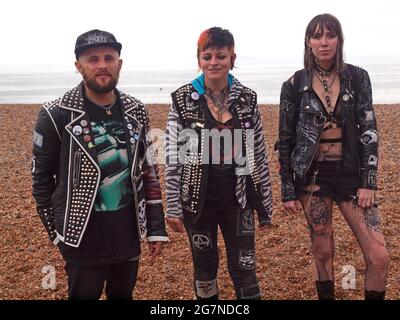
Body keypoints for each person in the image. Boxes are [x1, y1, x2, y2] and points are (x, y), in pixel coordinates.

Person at [31, 29, 168, 300]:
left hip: (128, 236)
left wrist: (155, 228)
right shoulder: (55, 113)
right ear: (78, 66)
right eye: (93, 59)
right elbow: (41, 181)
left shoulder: (136, 110)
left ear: (120, 63)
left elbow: (148, 171)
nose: (102, 64)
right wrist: (58, 234)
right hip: (81, 239)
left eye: (109, 57)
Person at [278, 14, 389, 300]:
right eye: (317, 36)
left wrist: (369, 182)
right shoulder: (294, 84)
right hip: (312, 177)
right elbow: (286, 140)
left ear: (339, 40)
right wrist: (287, 190)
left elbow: (369, 131)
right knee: (322, 251)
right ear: (308, 42)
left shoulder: (357, 77)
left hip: (351, 175)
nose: (324, 42)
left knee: (379, 255)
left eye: (330, 35)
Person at [165, 27, 273, 300]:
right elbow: (172, 156)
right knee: (204, 268)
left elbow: (258, 152)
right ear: (199, 59)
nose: (214, 62)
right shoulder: (181, 99)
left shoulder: (248, 98)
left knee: (244, 269)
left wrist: (266, 206)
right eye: (208, 56)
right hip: (197, 202)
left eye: (221, 56)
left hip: (240, 200)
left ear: (232, 58)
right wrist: (174, 206)